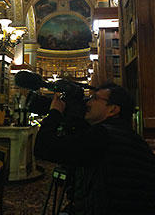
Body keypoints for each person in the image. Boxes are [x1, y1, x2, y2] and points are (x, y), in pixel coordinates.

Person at [34, 83, 155, 215]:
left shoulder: (102, 136)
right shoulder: (130, 136)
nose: (87, 103)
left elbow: (43, 147)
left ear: (112, 110)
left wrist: (55, 112)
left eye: (95, 99)